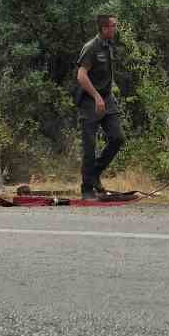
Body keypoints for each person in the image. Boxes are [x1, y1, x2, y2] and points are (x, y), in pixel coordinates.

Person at [76, 11, 124, 200]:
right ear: (104, 28)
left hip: (107, 99)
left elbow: (105, 73)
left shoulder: (109, 45)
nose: (115, 28)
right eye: (113, 25)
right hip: (90, 101)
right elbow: (81, 75)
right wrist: (96, 96)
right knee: (89, 146)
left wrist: (108, 92)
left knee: (118, 137)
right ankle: (87, 188)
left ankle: (94, 173)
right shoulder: (91, 47)